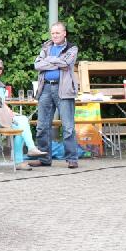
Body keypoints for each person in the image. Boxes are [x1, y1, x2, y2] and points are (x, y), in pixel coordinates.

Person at [0, 58, 47, 171]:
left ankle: (23, 157)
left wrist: (9, 112)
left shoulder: (0, 85)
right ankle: (25, 154)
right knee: (22, 123)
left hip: (0, 115)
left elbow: (2, 104)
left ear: (2, 70)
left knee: (22, 123)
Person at [30, 22, 79, 169]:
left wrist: (49, 60)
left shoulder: (72, 48)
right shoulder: (46, 47)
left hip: (63, 89)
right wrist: (57, 62)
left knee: (68, 127)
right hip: (45, 88)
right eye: (53, 33)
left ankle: (72, 159)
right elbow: (37, 65)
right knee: (41, 126)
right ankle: (44, 159)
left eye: (58, 33)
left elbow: (67, 63)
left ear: (64, 33)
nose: (55, 35)